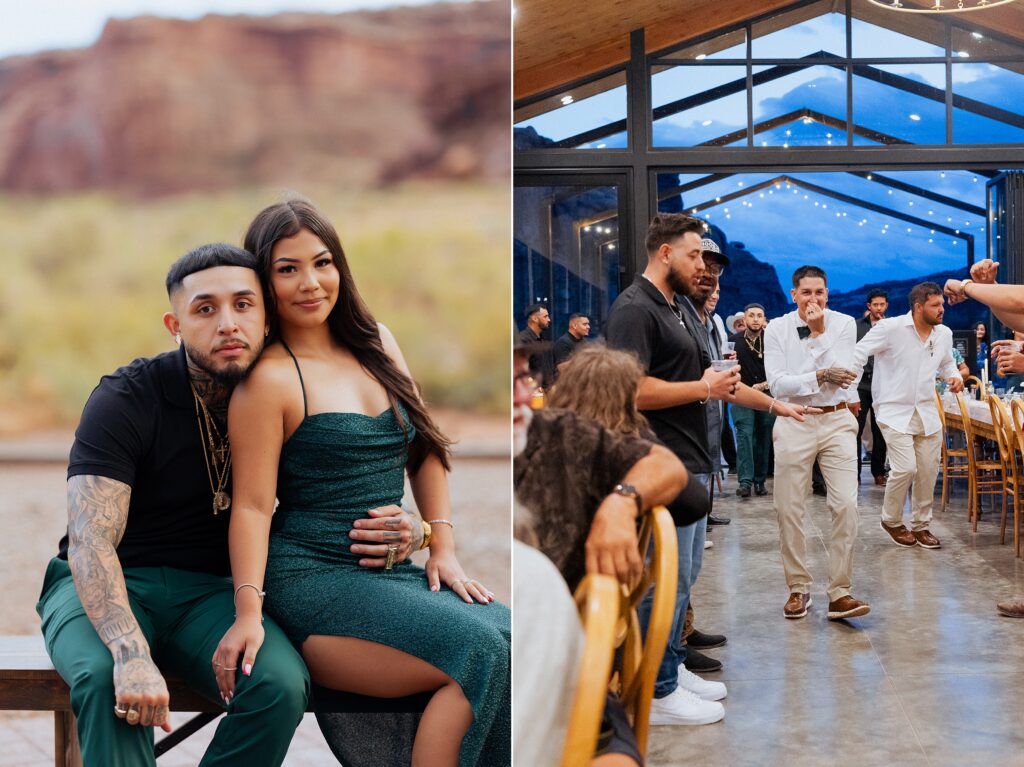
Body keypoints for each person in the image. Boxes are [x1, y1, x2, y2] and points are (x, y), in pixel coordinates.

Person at [35, 243, 426, 766]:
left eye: (244, 304)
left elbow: (351, 485)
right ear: (175, 325)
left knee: (279, 685)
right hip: (107, 582)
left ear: (267, 316)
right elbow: (91, 539)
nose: (227, 324)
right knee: (111, 681)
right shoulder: (126, 398)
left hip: (213, 594)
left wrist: (415, 529)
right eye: (205, 309)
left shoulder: (288, 387)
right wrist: (131, 654)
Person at [212, 200, 510, 767]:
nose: (310, 283)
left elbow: (424, 445)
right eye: (287, 269)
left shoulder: (376, 340)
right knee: (477, 652)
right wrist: (249, 612)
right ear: (263, 280)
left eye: (322, 263)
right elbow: (251, 508)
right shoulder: (268, 381)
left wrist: (440, 545)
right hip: (313, 579)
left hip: (392, 570)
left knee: (512, 635)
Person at [606, 213, 808, 725]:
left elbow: (721, 381)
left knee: (685, 576)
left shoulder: (679, 310)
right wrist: (702, 390)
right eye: (695, 254)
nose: (703, 264)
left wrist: (775, 406)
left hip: (693, 462)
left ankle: (670, 663)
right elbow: (628, 390)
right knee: (661, 580)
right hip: (659, 461)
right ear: (665, 252)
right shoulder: (634, 309)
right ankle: (655, 691)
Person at [513, 341, 690, 765]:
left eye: (523, 377)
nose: (522, 394)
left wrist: (622, 500)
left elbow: (673, 472)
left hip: (566, 664)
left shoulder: (563, 433)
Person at [764, 265, 870, 622]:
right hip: (794, 420)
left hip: (838, 419)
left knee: (845, 506)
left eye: (819, 293)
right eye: (806, 293)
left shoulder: (843, 324)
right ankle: (798, 587)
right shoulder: (776, 329)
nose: (813, 299)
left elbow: (844, 378)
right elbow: (777, 385)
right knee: (788, 508)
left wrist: (819, 333)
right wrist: (820, 375)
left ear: (828, 294)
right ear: (793, 294)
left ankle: (840, 592)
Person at [853, 283, 963, 550]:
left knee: (927, 471)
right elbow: (857, 353)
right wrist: (850, 392)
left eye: (942, 305)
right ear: (918, 307)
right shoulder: (890, 329)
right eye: (936, 305)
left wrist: (955, 375)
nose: (942, 310)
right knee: (905, 468)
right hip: (892, 410)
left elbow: (947, 362)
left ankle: (921, 526)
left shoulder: (944, 334)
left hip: (927, 412)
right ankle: (891, 520)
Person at [681, 238, 732, 526]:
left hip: (706, 436)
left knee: (693, 561)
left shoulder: (710, 322)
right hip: (684, 445)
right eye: (701, 264)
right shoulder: (675, 315)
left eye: (715, 269)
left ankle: (706, 513)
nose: (708, 274)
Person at [730, 303, 775, 498]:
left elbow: (780, 369)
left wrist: (763, 385)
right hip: (741, 394)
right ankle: (745, 482)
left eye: (759, 315)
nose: (756, 319)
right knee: (744, 434)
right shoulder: (734, 342)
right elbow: (726, 369)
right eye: (751, 315)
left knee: (764, 436)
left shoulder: (772, 341)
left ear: (764, 319)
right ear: (744, 319)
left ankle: (759, 481)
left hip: (766, 394)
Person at [856, 289, 889, 486]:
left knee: (880, 430)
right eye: (875, 304)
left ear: (887, 306)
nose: (878, 308)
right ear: (868, 306)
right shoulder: (856, 326)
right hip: (861, 383)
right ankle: (855, 474)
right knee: (856, 428)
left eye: (882, 304)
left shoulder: (891, 327)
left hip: (883, 383)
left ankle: (879, 472)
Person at [519, 303, 555, 384]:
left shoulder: (543, 338)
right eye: (545, 316)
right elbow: (522, 370)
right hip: (534, 391)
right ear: (535, 318)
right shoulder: (523, 340)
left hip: (547, 389)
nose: (549, 320)